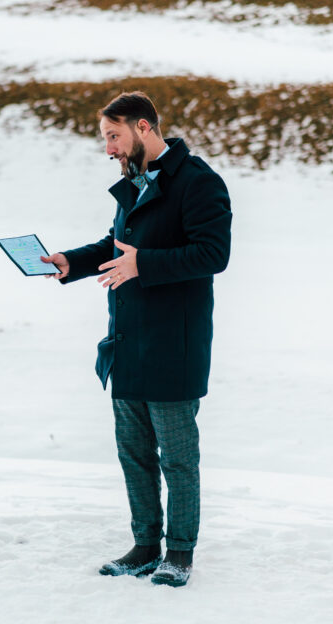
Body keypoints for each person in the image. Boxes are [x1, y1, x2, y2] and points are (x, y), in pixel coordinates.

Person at [41, 91, 232, 587]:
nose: (109, 149)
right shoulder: (134, 183)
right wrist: (72, 263)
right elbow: (115, 246)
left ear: (144, 128)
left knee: (178, 458)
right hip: (127, 341)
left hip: (175, 345)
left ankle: (180, 553)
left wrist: (142, 263)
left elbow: (213, 254)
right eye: (106, 138)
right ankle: (146, 545)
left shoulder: (198, 182)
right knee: (135, 453)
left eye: (113, 136)